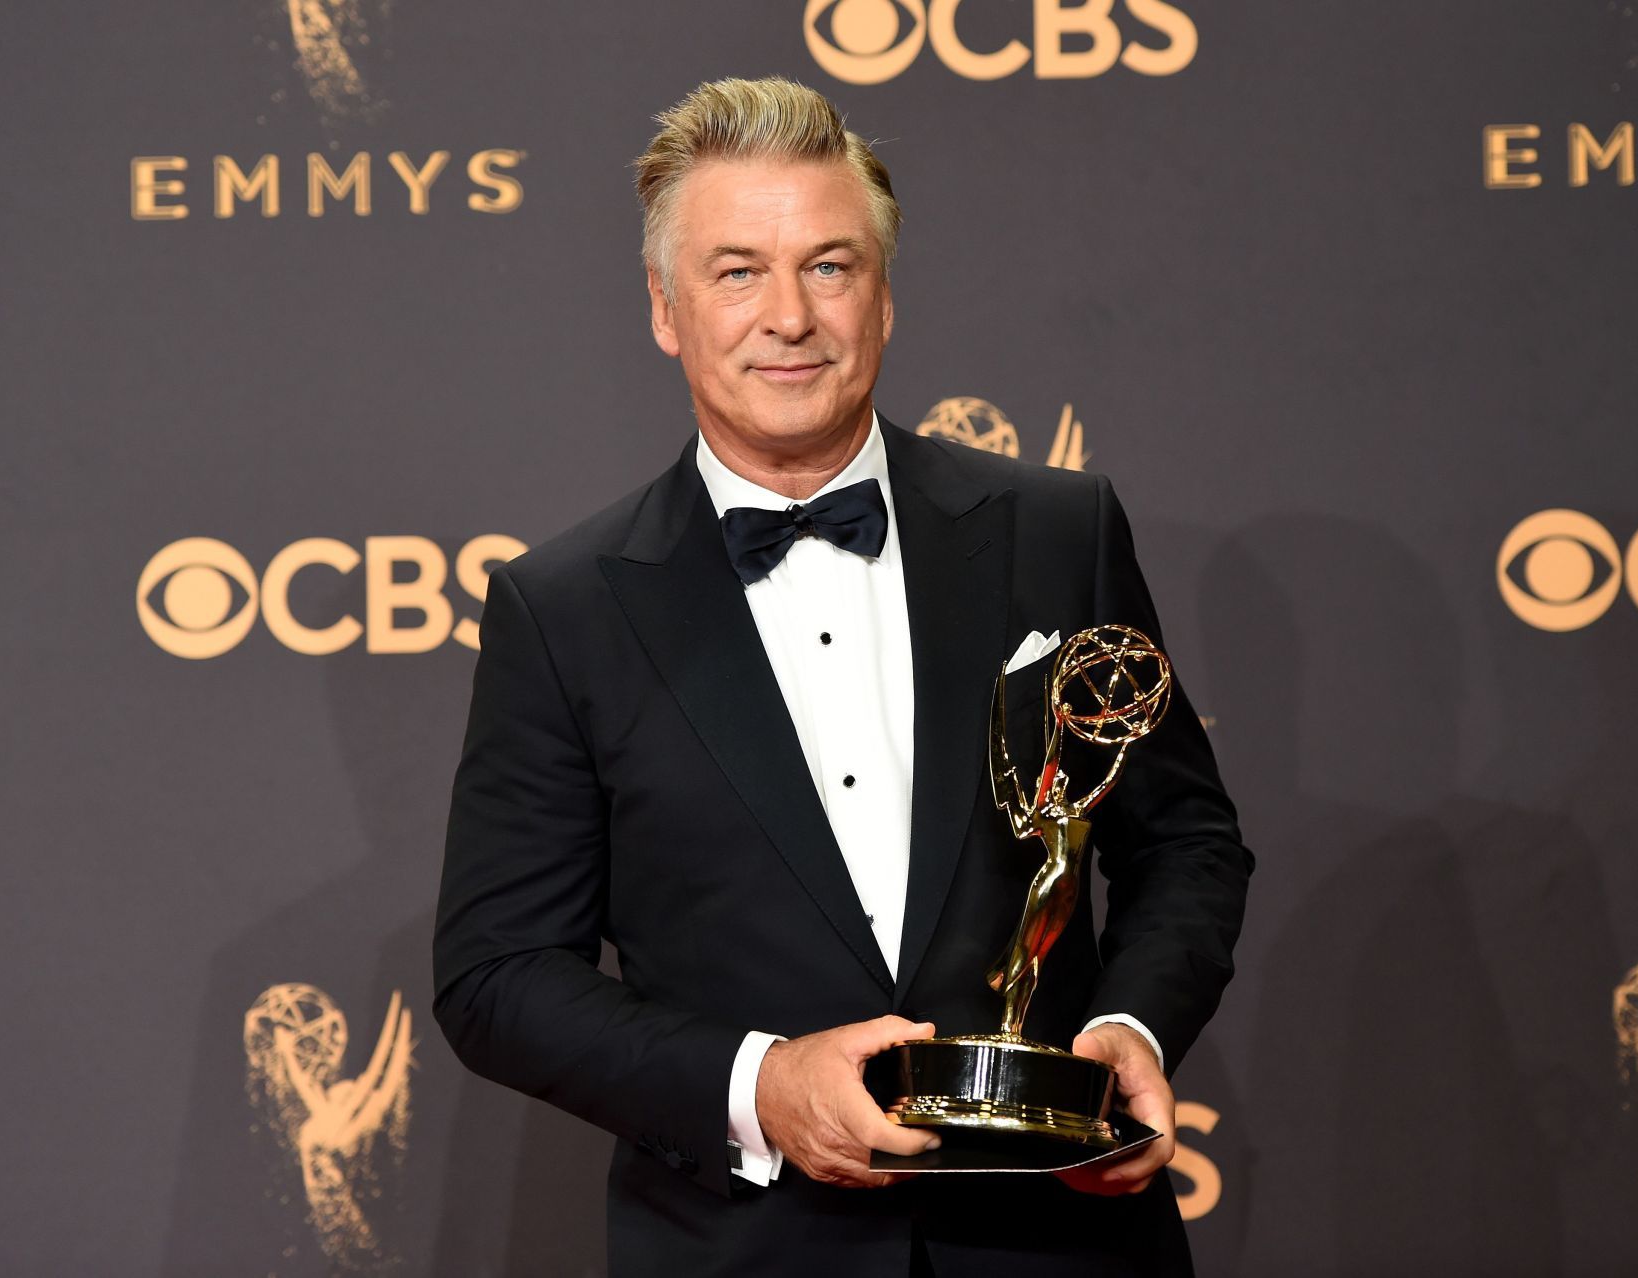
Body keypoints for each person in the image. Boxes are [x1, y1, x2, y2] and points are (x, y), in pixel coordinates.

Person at [433, 76, 1253, 1276]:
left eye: (828, 266)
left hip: (1061, 1245)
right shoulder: (564, 610)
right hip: (748, 1250)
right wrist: (759, 1085)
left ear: (883, 296)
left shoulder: (1056, 532)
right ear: (666, 310)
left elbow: (1184, 840)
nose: (789, 318)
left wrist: (1129, 1025)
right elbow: (497, 977)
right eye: (735, 272)